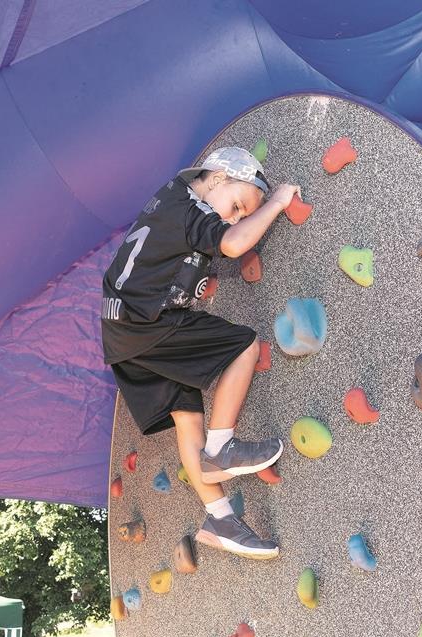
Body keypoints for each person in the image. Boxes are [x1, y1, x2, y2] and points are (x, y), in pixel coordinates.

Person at [101, 147, 301, 560]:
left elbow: (164, 255)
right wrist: (277, 202)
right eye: (239, 205)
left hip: (124, 333)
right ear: (218, 177)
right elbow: (232, 244)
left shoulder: (174, 200)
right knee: (244, 344)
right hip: (146, 322)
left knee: (187, 416)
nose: (234, 217)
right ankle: (222, 447)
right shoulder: (190, 207)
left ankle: (218, 518)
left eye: (242, 214)